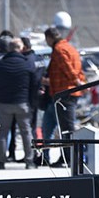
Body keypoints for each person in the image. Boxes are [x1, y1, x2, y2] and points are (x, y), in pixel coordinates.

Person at [41, 27, 86, 168]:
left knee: (66, 128)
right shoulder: (70, 48)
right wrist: (81, 81)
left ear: (49, 38)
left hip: (64, 92)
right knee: (66, 127)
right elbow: (78, 68)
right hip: (70, 92)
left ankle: (68, 158)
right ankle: (68, 156)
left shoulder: (59, 50)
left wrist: (76, 82)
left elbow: (68, 68)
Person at [0, 38, 38, 169]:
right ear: (21, 48)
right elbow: (35, 84)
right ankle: (29, 161)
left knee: (3, 132)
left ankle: (1, 161)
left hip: (5, 103)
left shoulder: (1, 64)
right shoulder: (27, 64)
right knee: (26, 132)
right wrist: (31, 101)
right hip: (23, 103)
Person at [0, 30, 18, 161]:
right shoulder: (14, 59)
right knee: (12, 128)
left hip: (0, 98)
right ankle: (11, 152)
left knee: (3, 129)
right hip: (15, 98)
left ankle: (2, 156)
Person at [20, 36, 46, 164]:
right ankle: (37, 154)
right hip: (38, 98)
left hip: (28, 99)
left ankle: (33, 154)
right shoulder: (39, 58)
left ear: (24, 47)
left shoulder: (26, 60)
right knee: (36, 128)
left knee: (29, 129)